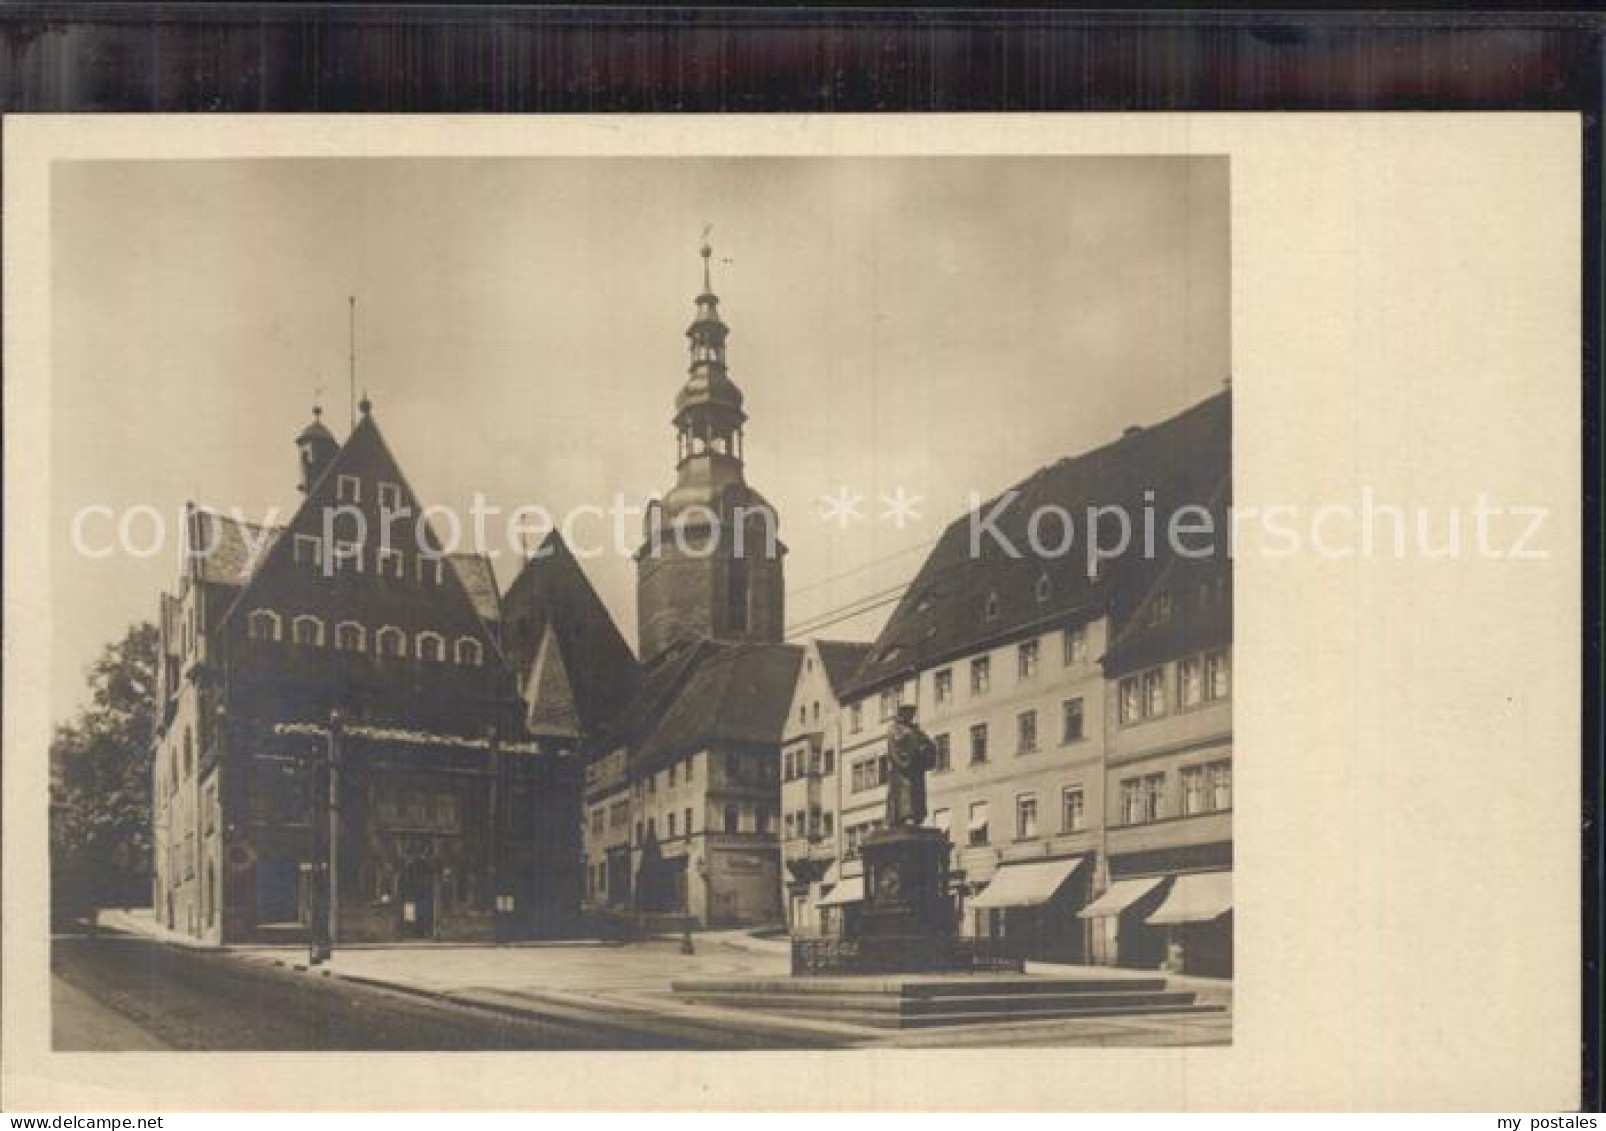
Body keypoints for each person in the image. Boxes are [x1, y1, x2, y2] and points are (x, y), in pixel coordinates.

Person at [884, 703, 937, 827]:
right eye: (908, 713)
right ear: (902, 714)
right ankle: (905, 817)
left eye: (912, 713)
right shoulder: (895, 729)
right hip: (903, 772)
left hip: (916, 770)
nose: (911, 716)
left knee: (917, 794)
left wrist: (926, 749)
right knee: (904, 794)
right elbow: (897, 748)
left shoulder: (916, 730)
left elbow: (929, 744)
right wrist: (915, 749)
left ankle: (916, 817)